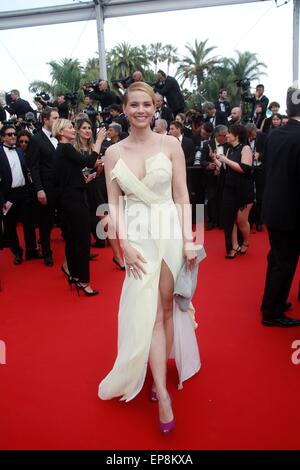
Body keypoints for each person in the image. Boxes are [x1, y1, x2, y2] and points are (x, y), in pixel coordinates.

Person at [98, 82, 199, 433]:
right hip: (139, 237)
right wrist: (123, 244)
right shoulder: (113, 152)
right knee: (152, 311)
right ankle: (161, 390)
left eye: (146, 104)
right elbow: (114, 204)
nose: (141, 110)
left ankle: (159, 371)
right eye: (134, 105)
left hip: (169, 230)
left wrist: (189, 239)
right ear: (124, 109)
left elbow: (183, 194)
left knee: (168, 306)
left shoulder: (171, 144)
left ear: (154, 108)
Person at [260, 87, 300, 327]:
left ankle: (272, 302)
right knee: (283, 263)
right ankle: (272, 313)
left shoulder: (274, 135)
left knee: (276, 259)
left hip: (274, 207)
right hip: (292, 211)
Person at [53, 119, 100, 296]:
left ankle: (73, 275)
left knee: (73, 240)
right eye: (71, 127)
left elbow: (67, 175)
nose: (74, 130)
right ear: (61, 132)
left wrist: (81, 180)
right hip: (74, 200)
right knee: (82, 241)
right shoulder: (66, 148)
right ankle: (84, 281)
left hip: (68, 198)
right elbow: (89, 162)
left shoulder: (61, 151)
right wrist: (99, 142)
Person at [216, 124, 254, 258]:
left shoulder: (245, 148)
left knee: (241, 220)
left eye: (229, 133)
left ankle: (246, 241)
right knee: (229, 219)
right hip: (229, 188)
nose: (226, 135)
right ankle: (233, 246)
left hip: (243, 189)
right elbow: (227, 169)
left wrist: (226, 160)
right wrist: (217, 160)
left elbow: (245, 169)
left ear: (236, 135)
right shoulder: (229, 150)